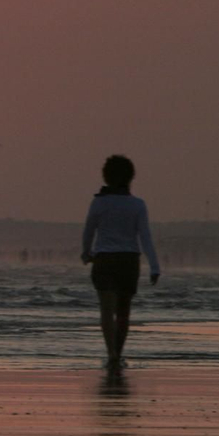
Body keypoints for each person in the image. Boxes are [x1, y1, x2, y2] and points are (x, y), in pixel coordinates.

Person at [81, 154, 160, 371]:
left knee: (106, 310)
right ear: (130, 177)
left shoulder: (98, 202)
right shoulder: (137, 205)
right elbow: (145, 236)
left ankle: (111, 354)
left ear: (106, 176)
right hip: (128, 260)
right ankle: (119, 352)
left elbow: (89, 231)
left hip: (105, 259)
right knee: (123, 311)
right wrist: (154, 266)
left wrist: (85, 253)